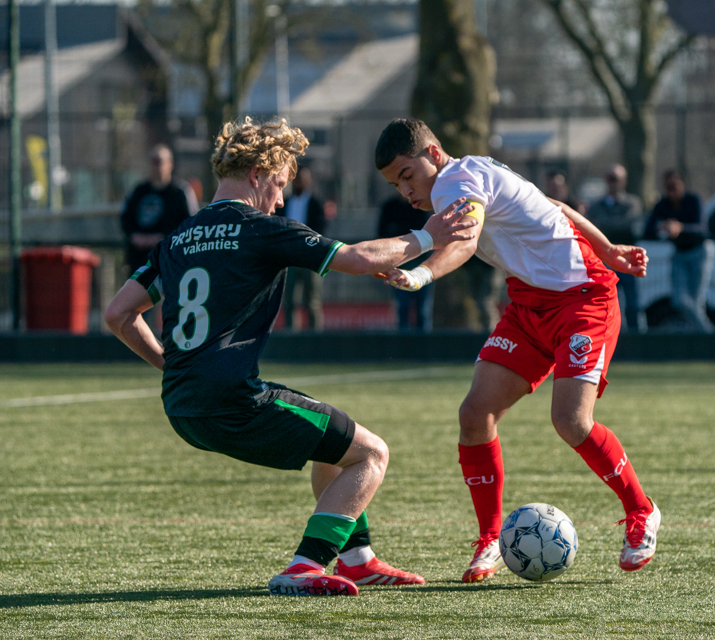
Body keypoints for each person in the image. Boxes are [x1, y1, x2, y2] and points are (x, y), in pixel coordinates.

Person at [104, 118, 478, 596]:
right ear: (259, 173)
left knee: (337, 444)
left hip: (180, 405)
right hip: (233, 400)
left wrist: (170, 365)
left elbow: (119, 314)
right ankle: (306, 565)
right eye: (279, 183)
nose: (281, 198)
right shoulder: (262, 228)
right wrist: (428, 238)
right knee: (373, 454)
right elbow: (360, 260)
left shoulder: (177, 238)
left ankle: (358, 558)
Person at [374, 118, 659, 583]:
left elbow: (463, 244)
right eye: (394, 183)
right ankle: (489, 539)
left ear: (433, 153)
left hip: (584, 299)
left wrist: (421, 275)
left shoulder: (456, 182)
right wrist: (607, 246)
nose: (405, 189)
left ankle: (642, 511)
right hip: (528, 305)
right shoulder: (472, 173)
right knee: (475, 415)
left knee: (570, 421)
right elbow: (556, 206)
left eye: (407, 174)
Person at [645, 170, 715, 333]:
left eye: (674, 186)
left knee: (696, 301)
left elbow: (702, 230)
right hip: (679, 254)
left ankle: (701, 337)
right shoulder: (663, 204)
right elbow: (648, 229)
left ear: (682, 185)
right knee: (679, 300)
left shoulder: (693, 200)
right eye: (668, 187)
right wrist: (661, 227)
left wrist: (680, 228)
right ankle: (708, 334)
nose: (671, 191)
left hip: (699, 252)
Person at [120, 144, 199, 275]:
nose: (156, 166)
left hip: (170, 261)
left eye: (160, 162)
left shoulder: (180, 192)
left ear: (170, 164)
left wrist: (163, 238)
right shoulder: (138, 192)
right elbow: (125, 219)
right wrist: (135, 236)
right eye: (153, 162)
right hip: (140, 262)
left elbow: (190, 224)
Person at [587, 164, 647, 333]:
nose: (613, 183)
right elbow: (593, 227)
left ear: (624, 181)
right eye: (610, 179)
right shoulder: (596, 205)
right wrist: (616, 224)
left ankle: (637, 340)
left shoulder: (633, 202)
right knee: (606, 302)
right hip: (604, 261)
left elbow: (631, 225)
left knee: (633, 304)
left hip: (628, 261)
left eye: (617, 179)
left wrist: (605, 224)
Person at [276, 167, 332, 330]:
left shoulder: (315, 203)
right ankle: (291, 336)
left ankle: (315, 339)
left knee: (312, 301)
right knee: (289, 301)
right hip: (290, 258)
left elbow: (321, 227)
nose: (299, 182)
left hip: (309, 259)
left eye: (303, 179)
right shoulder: (285, 202)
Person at [377, 194, 434, 330]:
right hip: (398, 265)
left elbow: (429, 236)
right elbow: (381, 233)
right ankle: (403, 346)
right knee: (402, 306)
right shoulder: (389, 207)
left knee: (423, 309)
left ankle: (424, 346)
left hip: (420, 263)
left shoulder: (421, 206)